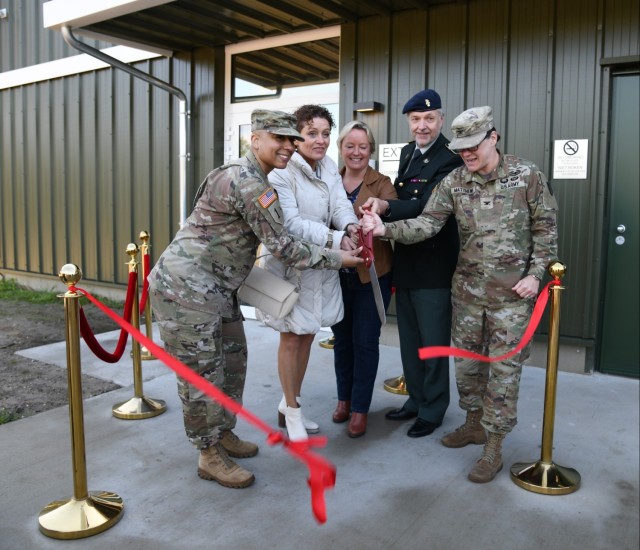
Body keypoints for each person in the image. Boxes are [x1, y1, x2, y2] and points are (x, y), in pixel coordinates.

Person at [148, 109, 363, 490]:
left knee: (233, 360)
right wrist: (338, 259)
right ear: (256, 138)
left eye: (289, 139)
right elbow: (284, 247)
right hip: (188, 290)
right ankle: (209, 453)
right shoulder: (246, 181)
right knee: (203, 377)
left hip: (220, 286)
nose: (286, 146)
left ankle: (224, 432)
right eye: (278, 138)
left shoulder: (256, 178)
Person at [362, 106, 559, 483]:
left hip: (512, 296)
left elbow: (546, 231)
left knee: (502, 372)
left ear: (493, 138)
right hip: (468, 292)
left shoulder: (526, 175)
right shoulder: (454, 181)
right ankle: (473, 424)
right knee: (467, 368)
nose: (467, 154)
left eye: (473, 146)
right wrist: (384, 230)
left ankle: (494, 447)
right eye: (461, 148)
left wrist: (536, 276)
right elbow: (427, 224)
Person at [257, 105, 359, 442]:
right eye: (312, 133)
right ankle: (292, 411)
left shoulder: (329, 165)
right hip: (289, 266)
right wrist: (335, 237)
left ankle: (290, 405)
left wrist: (350, 224)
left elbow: (341, 202)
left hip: (320, 266)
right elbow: (291, 223)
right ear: (296, 136)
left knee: (307, 334)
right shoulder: (281, 172)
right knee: (291, 336)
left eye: (326, 133)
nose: (320, 140)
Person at [366, 89, 463, 439]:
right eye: (415, 120)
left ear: (440, 119)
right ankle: (416, 399)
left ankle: (433, 409)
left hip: (434, 264)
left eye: (429, 118)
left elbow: (426, 207)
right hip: (407, 260)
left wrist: (385, 208)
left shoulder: (450, 158)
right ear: (409, 121)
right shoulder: (409, 153)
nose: (422, 126)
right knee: (409, 339)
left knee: (433, 341)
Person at [330, 120, 397, 438]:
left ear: (371, 149)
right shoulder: (329, 181)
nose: (356, 152)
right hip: (334, 275)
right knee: (341, 341)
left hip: (373, 276)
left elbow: (394, 211)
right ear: (341, 148)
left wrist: (379, 213)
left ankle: (359, 408)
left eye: (363, 146)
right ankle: (343, 399)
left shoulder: (381, 182)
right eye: (350, 145)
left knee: (365, 342)